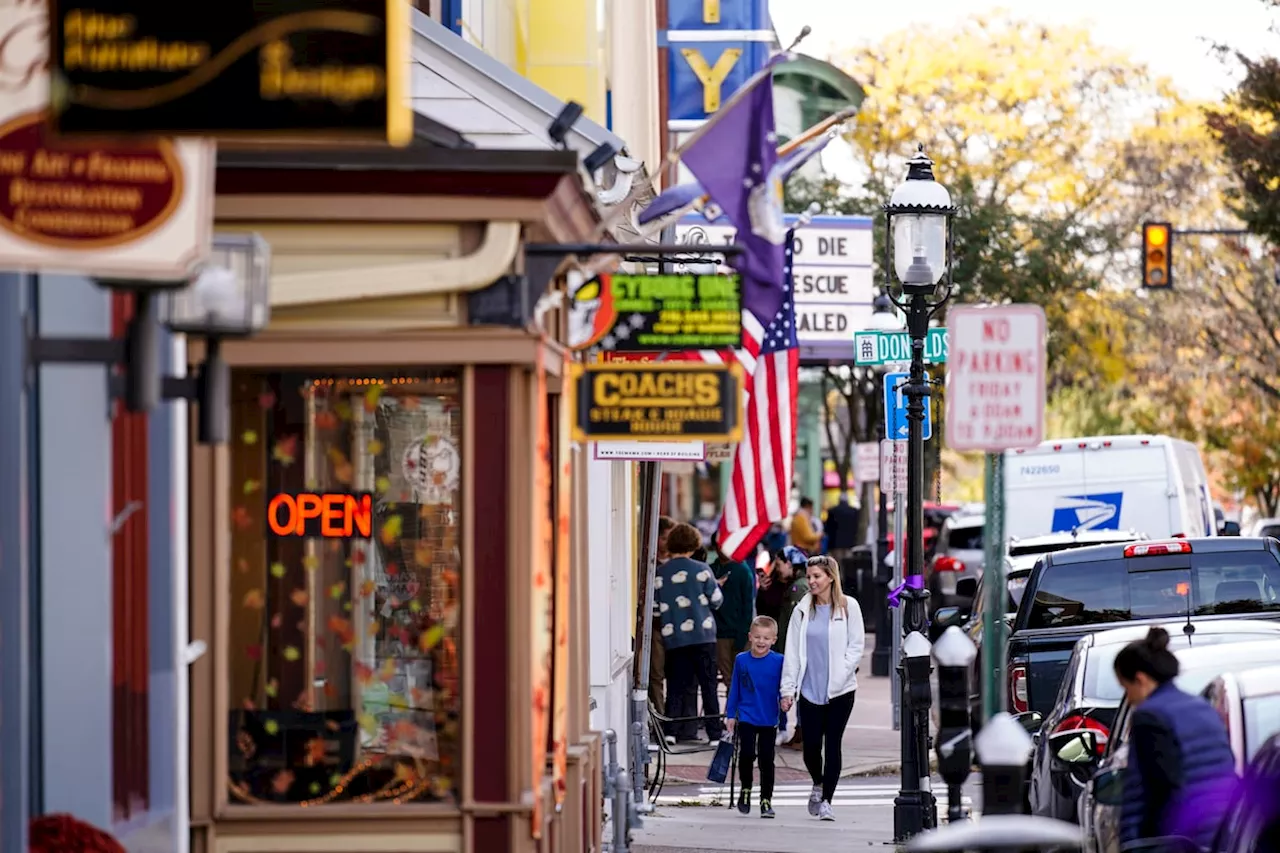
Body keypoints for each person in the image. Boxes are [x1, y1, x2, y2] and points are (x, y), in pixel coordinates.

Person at [1116, 627, 1238, 849]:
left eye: (1126, 688)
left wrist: (1138, 842)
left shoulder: (1150, 716)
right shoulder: (1203, 707)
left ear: (1140, 680)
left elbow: (1160, 788)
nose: (1129, 699)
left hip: (1179, 839)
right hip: (1221, 832)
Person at [780, 555, 865, 821]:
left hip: (841, 691)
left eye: (816, 576)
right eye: (809, 576)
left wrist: (841, 674)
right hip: (809, 691)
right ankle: (817, 782)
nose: (811, 581)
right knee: (811, 747)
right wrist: (787, 689)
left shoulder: (849, 607)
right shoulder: (802, 610)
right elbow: (792, 651)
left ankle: (827, 799)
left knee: (833, 744)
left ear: (830, 577)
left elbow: (856, 647)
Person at [656, 522, 725, 742]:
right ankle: (714, 733)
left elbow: (656, 609)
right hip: (703, 635)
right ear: (694, 545)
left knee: (676, 684)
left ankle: (670, 732)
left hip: (675, 637)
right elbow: (716, 601)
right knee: (708, 685)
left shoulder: (660, 573)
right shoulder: (703, 570)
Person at [725, 616, 785, 819]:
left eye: (766, 638)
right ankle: (746, 789)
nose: (761, 641)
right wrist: (730, 714)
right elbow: (735, 688)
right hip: (747, 716)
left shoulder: (779, 661)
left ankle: (766, 799)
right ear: (750, 637)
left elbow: (784, 689)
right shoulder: (741, 660)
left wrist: (785, 706)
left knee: (767, 760)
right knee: (747, 754)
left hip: (769, 718)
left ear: (774, 640)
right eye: (757, 637)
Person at [757, 546, 810, 746]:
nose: (777, 569)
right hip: (786, 648)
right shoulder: (789, 586)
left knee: (793, 690)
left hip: (791, 649)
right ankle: (794, 731)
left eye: (779, 564)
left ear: (790, 563)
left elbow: (792, 622)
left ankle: (799, 732)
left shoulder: (798, 588)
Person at [712, 541, 756, 687]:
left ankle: (739, 709)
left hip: (739, 632)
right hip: (720, 634)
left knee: (742, 680)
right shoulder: (712, 569)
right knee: (728, 679)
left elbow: (748, 606)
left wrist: (743, 635)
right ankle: (733, 710)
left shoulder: (743, 570)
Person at [648, 516, 675, 712]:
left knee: (677, 675)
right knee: (656, 674)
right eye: (665, 538)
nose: (668, 542)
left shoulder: (679, 564)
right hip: (656, 626)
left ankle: (675, 719)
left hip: (677, 628)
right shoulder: (649, 563)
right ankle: (660, 714)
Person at [824, 495, 860, 564]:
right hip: (850, 543)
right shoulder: (854, 511)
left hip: (836, 543)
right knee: (848, 565)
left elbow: (828, 528)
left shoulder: (833, 511)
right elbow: (856, 527)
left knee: (837, 564)